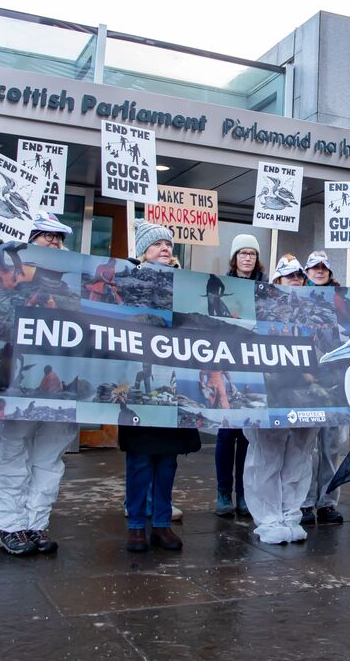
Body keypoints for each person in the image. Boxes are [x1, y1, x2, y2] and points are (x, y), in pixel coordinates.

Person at [0, 213, 80, 557]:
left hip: (57, 392)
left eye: (58, 238)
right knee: (13, 452)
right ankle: (10, 525)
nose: (54, 244)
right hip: (18, 387)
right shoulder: (10, 286)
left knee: (49, 458)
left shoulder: (70, 291)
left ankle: (36, 522)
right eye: (46, 237)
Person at [122, 221, 200, 552]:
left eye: (169, 244)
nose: (166, 248)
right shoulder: (127, 282)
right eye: (158, 245)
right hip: (140, 381)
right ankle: (136, 525)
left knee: (167, 461)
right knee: (140, 460)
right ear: (143, 252)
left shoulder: (185, 286)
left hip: (171, 385)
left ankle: (162, 523)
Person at [242, 254, 320, 544]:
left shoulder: (313, 309)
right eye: (289, 277)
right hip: (272, 393)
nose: (295, 281)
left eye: (299, 276)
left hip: (305, 396)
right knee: (267, 456)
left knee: (300, 455)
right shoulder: (259, 309)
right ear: (276, 281)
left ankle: (290, 513)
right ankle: (268, 518)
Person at [214, 234, 264, 517]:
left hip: (252, 364)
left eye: (252, 254)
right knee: (226, 432)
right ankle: (223, 492)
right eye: (243, 253)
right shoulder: (220, 287)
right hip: (226, 359)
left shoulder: (265, 288)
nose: (248, 258)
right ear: (234, 258)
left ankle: (244, 493)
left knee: (247, 434)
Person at [300, 250, 347, 527]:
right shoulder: (295, 296)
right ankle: (305, 502)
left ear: (329, 271)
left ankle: (327, 502)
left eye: (323, 268)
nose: (319, 272)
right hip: (305, 380)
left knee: (331, 447)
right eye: (314, 267)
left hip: (334, 380)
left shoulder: (342, 299)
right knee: (307, 448)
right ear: (307, 272)